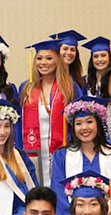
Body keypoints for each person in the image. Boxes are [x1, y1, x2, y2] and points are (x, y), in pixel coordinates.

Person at [50, 98, 111, 215]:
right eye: (78, 123)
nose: (84, 128)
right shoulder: (61, 157)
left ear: (98, 124)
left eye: (89, 122)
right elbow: (59, 193)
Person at [19, 39, 75, 184]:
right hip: (33, 150)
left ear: (57, 60)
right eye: (39, 58)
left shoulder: (69, 87)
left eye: (49, 58)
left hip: (61, 150)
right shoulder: (26, 88)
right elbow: (18, 124)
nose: (43, 62)